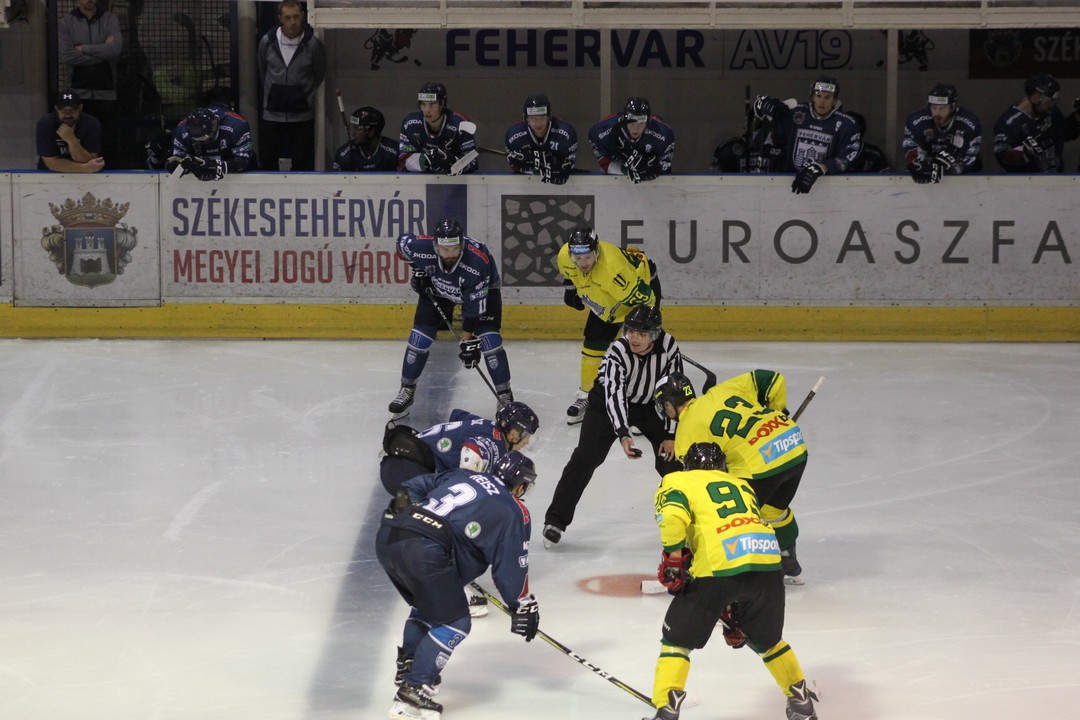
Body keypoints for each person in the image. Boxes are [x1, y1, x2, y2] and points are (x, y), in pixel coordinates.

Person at [642, 442, 818, 720]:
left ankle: (666, 707)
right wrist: (732, 609)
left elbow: (673, 517)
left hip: (718, 566)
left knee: (676, 641)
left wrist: (674, 559)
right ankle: (801, 701)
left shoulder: (677, 480)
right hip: (767, 565)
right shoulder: (742, 485)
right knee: (769, 642)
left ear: (688, 466)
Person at [376, 450, 540, 720]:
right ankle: (413, 690)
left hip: (388, 536)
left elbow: (409, 486)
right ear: (520, 484)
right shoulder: (513, 510)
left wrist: (415, 519)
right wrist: (521, 604)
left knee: (429, 606)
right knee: (456, 621)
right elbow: (511, 567)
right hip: (425, 552)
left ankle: (409, 667)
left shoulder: (463, 474)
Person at [541, 306, 682, 548]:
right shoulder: (618, 350)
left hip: (652, 406)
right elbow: (614, 395)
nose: (634, 338)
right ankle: (555, 520)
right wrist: (623, 433)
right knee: (585, 457)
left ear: (655, 335)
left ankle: (691, 518)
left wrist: (670, 434)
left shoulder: (669, 347)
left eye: (642, 333)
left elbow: (674, 391)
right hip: (606, 403)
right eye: (631, 331)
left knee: (673, 461)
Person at [654, 369, 809, 584]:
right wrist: (778, 411)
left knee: (727, 515)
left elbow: (702, 481)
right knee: (773, 510)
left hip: (761, 465)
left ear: (669, 406)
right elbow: (771, 379)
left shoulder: (685, 433)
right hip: (794, 446)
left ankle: (727, 576)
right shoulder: (723, 389)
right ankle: (788, 561)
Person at [389, 220, 512, 415]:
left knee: (490, 341)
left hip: (484, 291)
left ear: (461, 245)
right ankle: (407, 389)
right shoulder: (422, 248)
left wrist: (468, 342)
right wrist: (418, 269)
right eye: (445, 249)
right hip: (439, 288)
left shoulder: (476, 264)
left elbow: (472, 311)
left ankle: (504, 395)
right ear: (435, 246)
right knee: (419, 338)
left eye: (455, 249)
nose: (450, 255)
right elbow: (401, 244)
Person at [556, 227, 662, 425]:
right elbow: (569, 273)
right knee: (593, 342)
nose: (583, 263)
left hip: (639, 292)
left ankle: (645, 403)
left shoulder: (615, 273)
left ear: (596, 252)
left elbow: (647, 298)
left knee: (640, 349)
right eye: (578, 258)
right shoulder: (564, 257)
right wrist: (570, 287)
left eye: (588, 257)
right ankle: (587, 395)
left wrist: (645, 323)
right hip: (605, 298)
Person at [752, 76, 861, 194]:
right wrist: (762, 105)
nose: (822, 101)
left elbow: (848, 156)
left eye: (827, 97)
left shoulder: (847, 124)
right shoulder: (795, 113)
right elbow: (764, 133)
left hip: (827, 188)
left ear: (834, 101)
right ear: (813, 97)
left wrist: (822, 167)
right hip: (789, 183)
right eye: (818, 96)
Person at [256, 0, 326, 171]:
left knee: (302, 161)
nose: (292, 22)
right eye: (287, 17)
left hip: (302, 116)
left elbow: (318, 74)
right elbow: (262, 71)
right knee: (268, 159)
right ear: (280, 18)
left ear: (302, 16)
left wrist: (301, 95)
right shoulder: (267, 42)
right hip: (272, 114)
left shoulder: (313, 45)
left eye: (296, 16)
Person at [57, 0, 122, 167]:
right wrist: (103, 52)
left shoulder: (110, 18)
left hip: (106, 93)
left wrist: (83, 48)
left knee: (108, 142)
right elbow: (67, 56)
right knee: (80, 139)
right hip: (78, 94)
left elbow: (115, 51)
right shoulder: (67, 22)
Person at [993, 73, 1080, 173]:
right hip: (1028, 180)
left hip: (1055, 178)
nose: (1052, 105)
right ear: (1036, 97)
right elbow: (1002, 156)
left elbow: (1065, 133)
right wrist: (1026, 153)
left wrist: (1078, 115)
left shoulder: (1051, 112)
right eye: (1050, 101)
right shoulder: (1010, 123)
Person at [902, 83, 982, 183]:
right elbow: (911, 150)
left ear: (953, 107)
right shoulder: (916, 122)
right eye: (934, 108)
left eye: (942, 108)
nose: (937, 113)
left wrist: (954, 168)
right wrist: (918, 165)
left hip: (963, 178)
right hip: (929, 164)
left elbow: (970, 156)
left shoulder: (970, 123)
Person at [588, 96, 675, 183]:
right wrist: (628, 171)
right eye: (632, 122)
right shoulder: (602, 133)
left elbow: (665, 168)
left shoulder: (664, 134)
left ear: (648, 121)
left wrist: (657, 169)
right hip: (617, 171)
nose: (636, 128)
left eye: (641, 122)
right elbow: (605, 163)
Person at [399, 82, 478, 174]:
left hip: (454, 180)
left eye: (432, 104)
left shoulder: (461, 124)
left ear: (442, 104)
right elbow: (403, 160)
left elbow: (473, 162)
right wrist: (428, 161)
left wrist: (454, 165)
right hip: (422, 180)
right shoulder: (410, 123)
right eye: (423, 104)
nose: (427, 110)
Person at [166, 105, 254, 181]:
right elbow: (173, 162)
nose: (204, 142)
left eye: (205, 137)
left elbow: (244, 159)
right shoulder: (181, 131)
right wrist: (189, 166)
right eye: (197, 140)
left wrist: (221, 167)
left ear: (214, 124)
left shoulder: (236, 126)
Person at [504, 94, 577, 184]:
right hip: (525, 185)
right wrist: (518, 163)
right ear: (526, 118)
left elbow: (569, 163)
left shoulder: (566, 134)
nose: (538, 123)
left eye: (542, 117)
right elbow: (513, 164)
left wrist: (562, 168)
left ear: (548, 116)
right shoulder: (513, 135)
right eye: (533, 118)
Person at [36, 90, 104, 173]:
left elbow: (89, 160)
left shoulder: (91, 124)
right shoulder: (46, 124)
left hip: (84, 176)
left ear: (80, 108)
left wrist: (72, 140)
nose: (68, 114)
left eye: (72, 110)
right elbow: (52, 163)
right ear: (56, 109)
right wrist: (85, 168)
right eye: (63, 110)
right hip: (49, 175)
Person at [331, 106, 398, 171]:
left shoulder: (394, 153)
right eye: (353, 127)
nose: (353, 133)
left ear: (371, 131)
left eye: (357, 128)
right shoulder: (344, 155)